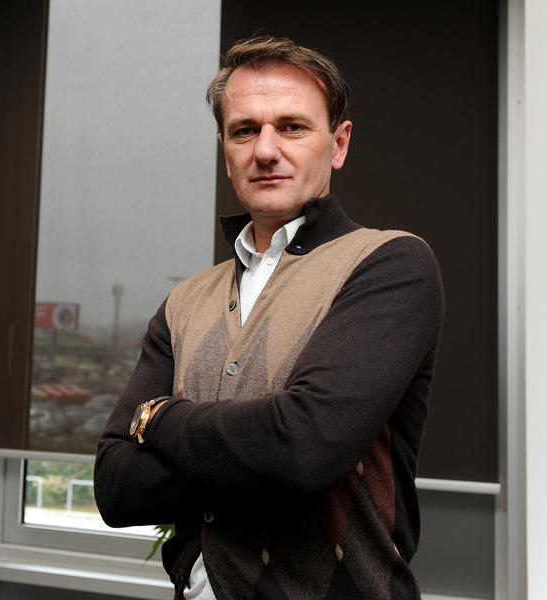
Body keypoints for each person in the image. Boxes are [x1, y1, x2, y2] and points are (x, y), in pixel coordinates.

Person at [94, 36, 444, 600]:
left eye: (292, 127)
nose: (264, 150)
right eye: (244, 130)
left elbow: (304, 449)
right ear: (225, 148)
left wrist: (158, 420)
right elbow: (115, 487)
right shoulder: (184, 302)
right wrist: (258, 451)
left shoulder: (390, 264)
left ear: (338, 144)